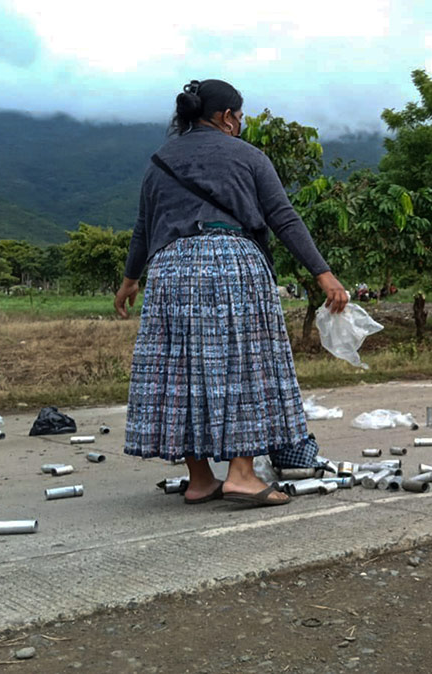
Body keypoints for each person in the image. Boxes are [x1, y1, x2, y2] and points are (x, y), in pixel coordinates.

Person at [115, 79, 348, 508]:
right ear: (226, 118)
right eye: (238, 117)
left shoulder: (158, 161)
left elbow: (143, 229)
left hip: (170, 270)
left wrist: (130, 281)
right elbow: (284, 218)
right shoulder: (248, 156)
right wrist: (323, 274)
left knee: (180, 372)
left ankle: (200, 479)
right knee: (244, 368)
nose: (239, 125)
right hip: (233, 266)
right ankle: (241, 475)